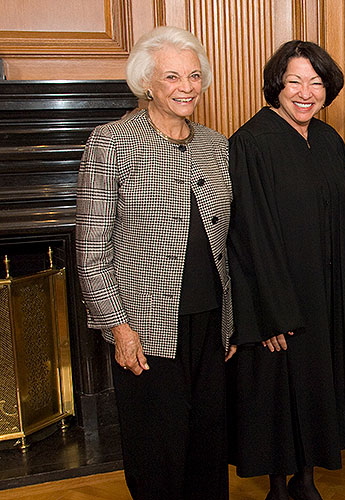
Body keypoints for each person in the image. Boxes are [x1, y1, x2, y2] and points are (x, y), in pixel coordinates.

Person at [76, 26, 235, 500]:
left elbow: (230, 241)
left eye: (194, 76)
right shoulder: (112, 142)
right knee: (158, 453)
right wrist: (119, 329)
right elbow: (91, 247)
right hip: (146, 327)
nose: (187, 87)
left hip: (209, 322)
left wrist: (231, 321)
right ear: (147, 82)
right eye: (172, 77)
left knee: (208, 446)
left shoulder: (215, 144)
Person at [226, 40, 345, 500]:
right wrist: (270, 314)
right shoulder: (250, 142)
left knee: (317, 388)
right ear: (277, 85)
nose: (306, 92)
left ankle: (306, 477)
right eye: (295, 81)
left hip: (326, 293)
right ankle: (277, 483)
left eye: (316, 82)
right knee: (278, 393)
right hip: (280, 298)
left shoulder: (329, 140)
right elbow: (246, 236)